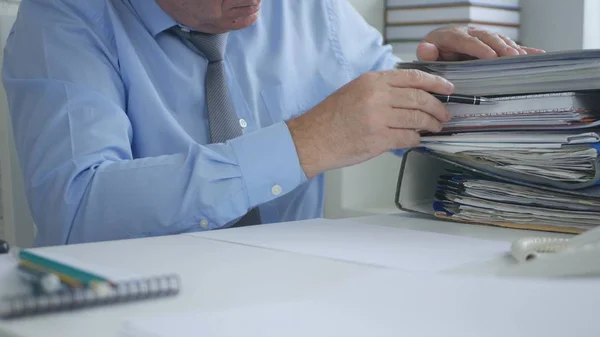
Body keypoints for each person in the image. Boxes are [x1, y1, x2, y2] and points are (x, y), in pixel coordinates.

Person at [2, 0, 543, 247]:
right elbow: (76, 212)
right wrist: (308, 141)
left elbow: (413, 123)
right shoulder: (62, 18)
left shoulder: (314, 12)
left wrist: (464, 90)